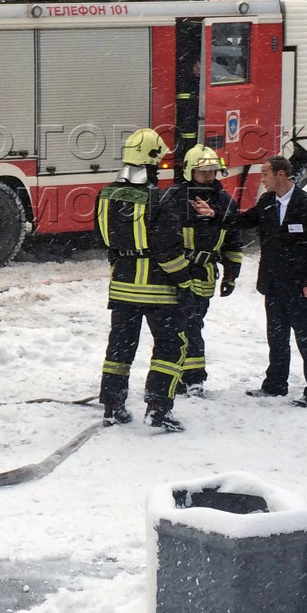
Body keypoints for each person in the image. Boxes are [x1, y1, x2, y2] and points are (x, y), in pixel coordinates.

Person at [95, 128, 194, 431]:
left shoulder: (106, 195)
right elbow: (168, 251)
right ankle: (158, 407)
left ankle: (113, 406)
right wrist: (184, 282)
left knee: (120, 348)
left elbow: (103, 238)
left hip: (122, 288)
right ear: (152, 162)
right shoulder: (159, 200)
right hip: (159, 292)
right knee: (169, 347)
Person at [241, 156, 307, 406]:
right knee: (277, 336)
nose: (262, 179)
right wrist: (214, 214)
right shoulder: (267, 201)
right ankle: (275, 383)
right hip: (273, 283)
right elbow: (245, 221)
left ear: (281, 174)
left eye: (266, 174)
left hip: (299, 284)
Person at [162, 144, 244, 395]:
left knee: (194, 324)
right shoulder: (173, 198)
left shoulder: (223, 201)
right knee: (179, 327)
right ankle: (179, 376)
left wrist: (231, 275)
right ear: (189, 171)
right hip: (176, 274)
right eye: (203, 171)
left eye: (212, 171)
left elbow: (233, 241)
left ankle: (193, 377)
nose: (208, 176)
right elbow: (161, 239)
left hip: (204, 274)